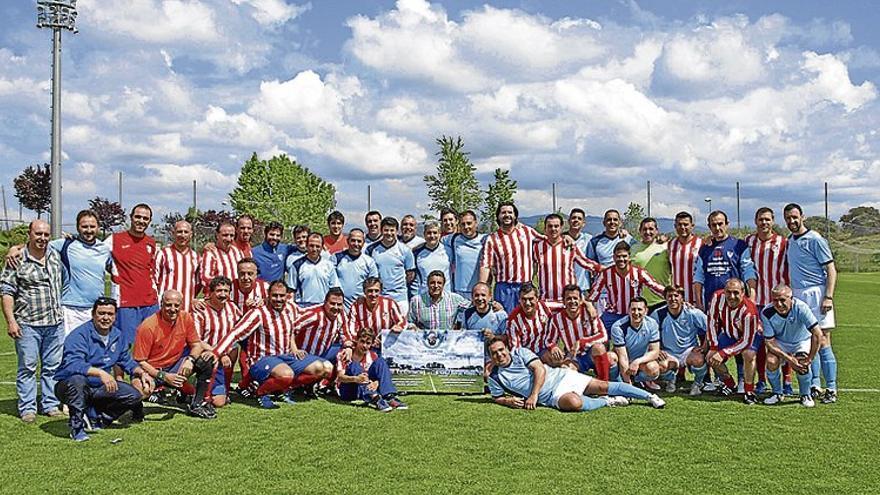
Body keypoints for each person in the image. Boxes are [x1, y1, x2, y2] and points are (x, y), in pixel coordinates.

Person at [215, 281, 332, 408]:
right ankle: (260, 392)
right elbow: (236, 333)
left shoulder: (291, 309)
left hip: (285, 357)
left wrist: (331, 306)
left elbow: (309, 312)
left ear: (287, 296)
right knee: (286, 374)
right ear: (268, 296)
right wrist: (216, 352)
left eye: (282, 296)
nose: (278, 299)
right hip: (262, 360)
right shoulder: (258, 313)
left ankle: (281, 389)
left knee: (324, 368)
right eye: (275, 295)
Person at [54, 297, 153, 441]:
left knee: (134, 395)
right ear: (93, 314)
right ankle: (77, 428)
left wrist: (142, 373)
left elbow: (126, 361)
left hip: (100, 387)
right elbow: (72, 365)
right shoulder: (79, 335)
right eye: (101, 313)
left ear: (115, 316)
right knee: (77, 381)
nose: (106, 318)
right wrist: (100, 373)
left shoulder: (117, 335)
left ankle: (98, 418)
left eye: (110, 314)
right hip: (70, 386)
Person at [487, 336, 665, 412]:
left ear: (507, 349)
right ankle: (607, 401)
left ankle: (650, 396)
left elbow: (540, 369)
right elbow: (497, 397)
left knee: (604, 386)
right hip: (551, 396)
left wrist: (533, 396)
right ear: (490, 357)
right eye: (494, 353)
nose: (499, 355)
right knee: (574, 403)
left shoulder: (520, 353)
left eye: (501, 350)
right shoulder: (495, 376)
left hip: (561, 377)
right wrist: (507, 401)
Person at [1, 219, 66, 422]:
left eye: (46, 234)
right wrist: (11, 320)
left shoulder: (55, 255)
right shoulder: (16, 259)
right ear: (29, 234)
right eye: (38, 234)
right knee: (28, 367)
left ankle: (50, 404)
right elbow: (6, 291)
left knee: (52, 367)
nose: (42, 238)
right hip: (28, 324)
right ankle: (27, 408)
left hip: (55, 323)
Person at [131, 290, 217, 418]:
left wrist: (191, 360)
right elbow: (140, 361)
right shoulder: (148, 326)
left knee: (206, 358)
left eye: (176, 305)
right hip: (153, 370)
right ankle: (136, 410)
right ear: (161, 304)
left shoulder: (185, 317)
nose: (172, 309)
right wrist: (163, 376)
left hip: (176, 365)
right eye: (168, 305)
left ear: (181, 305)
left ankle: (197, 404)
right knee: (139, 391)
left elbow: (196, 344)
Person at [784, 203, 838, 403]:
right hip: (798, 295)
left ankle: (831, 387)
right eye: (788, 218)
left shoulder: (815, 239)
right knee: (807, 341)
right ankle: (815, 384)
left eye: (795, 217)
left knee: (823, 340)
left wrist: (828, 296)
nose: (792, 221)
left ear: (802, 217)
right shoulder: (790, 241)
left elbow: (831, 269)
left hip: (817, 292)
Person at [746, 207, 789, 394]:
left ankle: (787, 380)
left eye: (767, 220)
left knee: (783, 340)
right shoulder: (748, 242)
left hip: (778, 301)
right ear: (756, 221)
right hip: (758, 301)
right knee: (761, 341)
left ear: (772, 221)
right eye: (760, 219)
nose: (764, 223)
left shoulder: (783, 242)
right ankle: (761, 380)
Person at [104, 203, 159, 348]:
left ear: (149, 221)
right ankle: (120, 372)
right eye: (138, 217)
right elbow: (94, 254)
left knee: (151, 343)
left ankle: (147, 371)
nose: (141, 221)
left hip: (150, 302)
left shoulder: (152, 243)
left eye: (145, 218)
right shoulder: (114, 240)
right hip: (125, 302)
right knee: (123, 345)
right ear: (131, 218)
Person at [761, 284, 822, 407]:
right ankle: (777, 393)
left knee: (802, 363)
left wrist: (809, 358)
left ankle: (805, 394)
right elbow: (769, 342)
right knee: (771, 361)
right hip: (780, 342)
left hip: (801, 341)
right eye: (775, 300)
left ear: (791, 298)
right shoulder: (766, 312)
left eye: (782, 300)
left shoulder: (801, 308)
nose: (779, 304)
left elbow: (817, 334)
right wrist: (789, 359)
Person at [705, 279, 762, 404]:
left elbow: (746, 341)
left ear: (743, 293)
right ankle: (729, 384)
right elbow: (712, 321)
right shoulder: (717, 297)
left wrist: (723, 353)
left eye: (736, 293)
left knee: (749, 354)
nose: (732, 296)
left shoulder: (749, 311)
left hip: (750, 336)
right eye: (728, 292)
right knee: (710, 357)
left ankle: (749, 391)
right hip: (729, 334)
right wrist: (714, 347)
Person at [479, 201, 543, 313]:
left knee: (527, 321)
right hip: (504, 288)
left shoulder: (527, 232)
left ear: (515, 216)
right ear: (498, 216)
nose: (507, 215)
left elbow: (547, 239)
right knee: (505, 321)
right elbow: (486, 266)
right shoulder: (492, 239)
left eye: (510, 212)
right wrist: (482, 288)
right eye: (503, 212)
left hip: (525, 286)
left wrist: (566, 237)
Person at [587, 241, 665, 330]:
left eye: (624, 256)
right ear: (613, 257)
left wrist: (670, 294)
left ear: (629, 257)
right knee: (600, 333)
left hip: (634, 314)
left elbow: (655, 286)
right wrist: (589, 306)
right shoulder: (606, 274)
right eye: (618, 256)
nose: (621, 259)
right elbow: (593, 295)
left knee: (647, 332)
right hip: (613, 314)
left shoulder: (639, 272)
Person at [546, 285, 614, 381]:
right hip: (575, 357)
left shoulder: (589, 312)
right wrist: (553, 347)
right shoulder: (557, 319)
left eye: (575, 298)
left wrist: (581, 342)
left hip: (592, 354)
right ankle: (583, 389)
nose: (572, 302)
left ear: (580, 300)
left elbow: (603, 335)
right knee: (565, 370)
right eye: (569, 299)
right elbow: (549, 340)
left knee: (607, 354)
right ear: (564, 301)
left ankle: (604, 384)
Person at [193, 276, 242, 408]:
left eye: (226, 291)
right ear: (211, 292)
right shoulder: (200, 309)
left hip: (222, 353)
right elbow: (196, 340)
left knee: (219, 402)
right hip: (204, 353)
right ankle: (191, 392)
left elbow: (240, 329)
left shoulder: (232, 308)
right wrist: (218, 353)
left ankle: (223, 388)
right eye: (219, 291)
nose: (223, 294)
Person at [693, 210, 757, 310]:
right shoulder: (704, 249)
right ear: (709, 227)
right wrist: (699, 303)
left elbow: (748, 272)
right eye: (714, 225)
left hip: (734, 302)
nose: (717, 228)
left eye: (720, 224)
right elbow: (698, 278)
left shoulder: (739, 245)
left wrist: (752, 299)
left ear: (727, 224)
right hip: (711, 302)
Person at [651, 285, 708, 395]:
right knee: (660, 366)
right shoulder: (658, 314)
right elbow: (649, 334)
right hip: (669, 352)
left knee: (699, 360)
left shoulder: (692, 312)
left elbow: (710, 328)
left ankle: (697, 384)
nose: (673, 299)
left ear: (682, 298)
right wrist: (657, 350)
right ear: (665, 298)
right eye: (669, 296)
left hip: (688, 350)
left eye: (676, 296)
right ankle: (671, 379)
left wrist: (704, 346)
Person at [335, 328, 407, 411]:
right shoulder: (344, 354)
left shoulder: (373, 355)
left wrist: (376, 383)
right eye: (362, 341)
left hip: (366, 388)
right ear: (356, 340)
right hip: (349, 390)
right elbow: (340, 377)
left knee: (381, 361)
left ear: (371, 344)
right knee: (354, 365)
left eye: (368, 343)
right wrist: (355, 379)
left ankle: (389, 397)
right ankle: (375, 398)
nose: (365, 346)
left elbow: (377, 377)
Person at [533, 213, 599, 303]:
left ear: (561, 228)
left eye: (556, 226)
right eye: (550, 226)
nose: (553, 229)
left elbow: (587, 263)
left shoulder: (569, 246)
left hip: (568, 302)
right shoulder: (537, 247)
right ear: (545, 229)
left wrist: (606, 269)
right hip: (546, 301)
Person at [365, 217, 416, 316]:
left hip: (400, 298)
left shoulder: (405, 251)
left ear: (397, 231)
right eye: (386, 230)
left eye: (392, 230)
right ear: (381, 230)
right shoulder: (371, 249)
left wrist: (397, 285)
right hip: (379, 297)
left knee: (401, 328)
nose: (389, 233)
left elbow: (410, 275)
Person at [611, 298, 663, 387]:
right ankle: (617, 382)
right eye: (633, 309)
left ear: (646, 311)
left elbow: (655, 352)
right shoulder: (618, 327)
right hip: (621, 361)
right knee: (610, 357)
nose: (636, 313)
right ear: (628, 311)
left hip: (640, 361)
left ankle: (638, 380)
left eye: (639, 309)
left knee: (653, 369)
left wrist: (637, 362)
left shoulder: (652, 324)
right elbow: (623, 357)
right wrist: (628, 386)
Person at [293, 287, 353, 364]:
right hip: (305, 355)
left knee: (351, 352)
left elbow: (345, 334)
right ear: (325, 302)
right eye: (332, 303)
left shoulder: (341, 314)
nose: (335, 307)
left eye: (339, 304)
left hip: (324, 353)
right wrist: (295, 350)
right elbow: (290, 329)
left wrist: (348, 348)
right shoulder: (314, 315)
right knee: (328, 367)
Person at [154, 220, 200, 312]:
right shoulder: (163, 254)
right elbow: (154, 280)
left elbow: (198, 284)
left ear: (191, 235)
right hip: (165, 308)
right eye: (179, 231)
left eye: (186, 232)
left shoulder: (196, 257)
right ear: (173, 233)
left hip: (187, 308)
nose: (182, 235)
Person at [349, 277, 406, 351]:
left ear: (381, 291)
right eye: (370, 291)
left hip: (386, 347)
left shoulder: (390, 304)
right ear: (364, 292)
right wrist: (367, 341)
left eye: (376, 291)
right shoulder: (356, 307)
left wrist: (398, 326)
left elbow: (402, 321)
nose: (373, 294)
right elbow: (352, 331)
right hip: (364, 347)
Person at [506, 283, 556, 361]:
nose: (527, 303)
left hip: (544, 349)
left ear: (537, 298)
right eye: (524, 299)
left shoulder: (546, 307)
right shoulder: (513, 320)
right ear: (519, 299)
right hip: (526, 356)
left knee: (557, 359)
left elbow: (566, 306)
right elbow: (516, 350)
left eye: (530, 299)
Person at [286, 232, 340, 306]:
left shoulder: (329, 265)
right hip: (303, 308)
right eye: (311, 246)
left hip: (323, 307)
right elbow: (291, 291)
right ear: (307, 246)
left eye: (317, 246)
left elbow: (335, 288)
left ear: (322, 247)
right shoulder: (296, 265)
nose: (314, 249)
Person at [631, 217, 671, 311]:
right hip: (639, 302)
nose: (647, 232)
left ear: (657, 231)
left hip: (662, 300)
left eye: (651, 229)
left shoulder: (666, 248)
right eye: (644, 229)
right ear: (640, 231)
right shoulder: (632, 249)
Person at [335, 228, 379, 309]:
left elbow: (373, 285)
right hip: (340, 306)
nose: (356, 244)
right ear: (347, 241)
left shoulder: (369, 262)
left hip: (361, 306)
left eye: (359, 241)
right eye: (353, 240)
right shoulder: (336, 258)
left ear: (363, 243)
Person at [447, 210, 487, 299]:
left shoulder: (485, 239)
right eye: (463, 224)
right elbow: (434, 240)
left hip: (479, 292)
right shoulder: (453, 239)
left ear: (476, 223)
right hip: (458, 291)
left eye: (469, 223)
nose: (466, 227)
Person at [668, 211, 703, 305]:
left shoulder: (701, 244)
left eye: (685, 224)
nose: (682, 227)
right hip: (677, 300)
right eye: (679, 224)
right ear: (675, 226)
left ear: (692, 226)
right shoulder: (671, 244)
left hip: (696, 300)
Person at [201, 221, 244, 289]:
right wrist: (223, 287)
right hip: (218, 295)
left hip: (236, 295)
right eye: (225, 235)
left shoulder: (238, 252)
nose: (229, 239)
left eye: (232, 235)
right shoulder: (210, 253)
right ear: (217, 235)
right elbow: (205, 278)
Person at [411, 221, 451, 295]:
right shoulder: (416, 253)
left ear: (440, 234)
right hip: (424, 296)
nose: (432, 236)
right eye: (429, 233)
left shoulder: (449, 250)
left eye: (435, 233)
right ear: (424, 235)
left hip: (446, 296)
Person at [566, 208, 593, 293]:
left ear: (583, 223)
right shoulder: (561, 239)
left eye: (579, 218)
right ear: (569, 221)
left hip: (583, 288)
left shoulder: (589, 239)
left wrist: (621, 232)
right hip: (565, 288)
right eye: (573, 218)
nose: (576, 220)